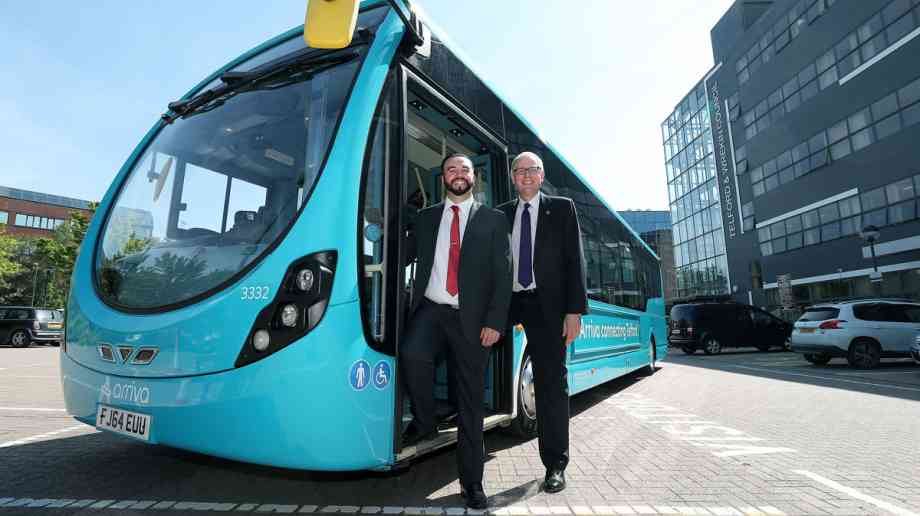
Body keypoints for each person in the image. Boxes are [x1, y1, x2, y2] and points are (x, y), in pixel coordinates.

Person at [400, 153, 512, 509]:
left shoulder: (493, 220)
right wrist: (402, 213)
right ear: (443, 178)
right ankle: (426, 418)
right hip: (431, 311)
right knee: (412, 354)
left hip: (473, 318)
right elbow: (403, 254)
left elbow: (503, 273)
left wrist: (495, 321)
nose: (458, 175)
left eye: (464, 170)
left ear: (473, 177)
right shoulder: (428, 217)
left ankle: (473, 483)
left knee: (469, 404)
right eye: (451, 170)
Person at [498, 151, 587, 494]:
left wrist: (574, 311)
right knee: (473, 361)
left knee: (550, 385)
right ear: (512, 177)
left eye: (532, 169)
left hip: (548, 307)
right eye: (519, 170)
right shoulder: (501, 214)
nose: (525, 175)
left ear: (541, 174)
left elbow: (573, 261)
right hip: (508, 304)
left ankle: (555, 465)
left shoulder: (562, 208)